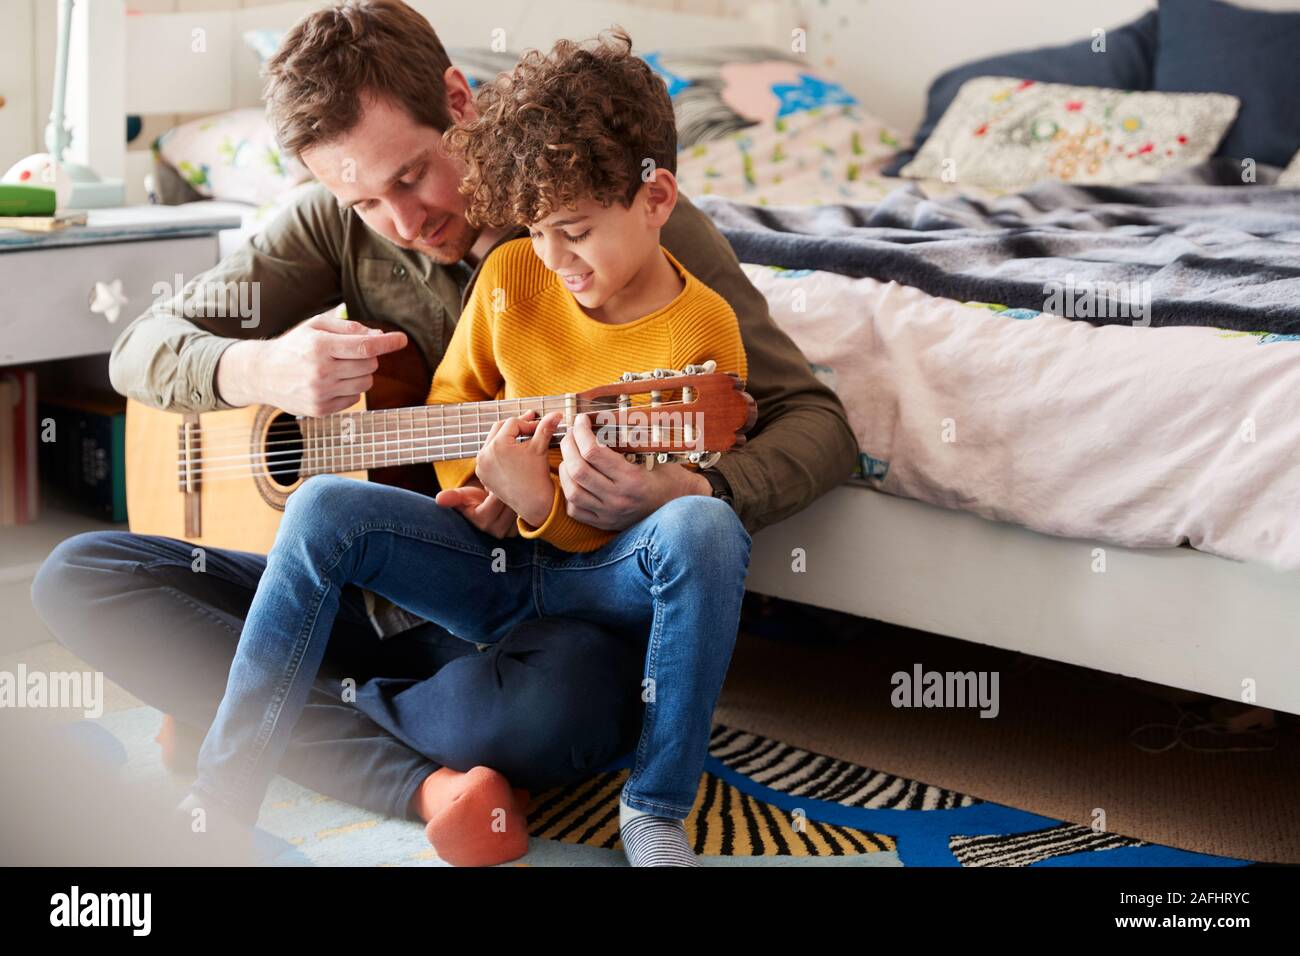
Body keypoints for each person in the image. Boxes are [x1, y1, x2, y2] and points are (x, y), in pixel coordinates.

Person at [30, 0, 857, 859]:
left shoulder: (612, 214)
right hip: (390, 584)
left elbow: (815, 421)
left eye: (414, 175)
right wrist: (260, 368)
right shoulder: (334, 224)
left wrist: (698, 489)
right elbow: (142, 350)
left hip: (548, 612)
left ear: (460, 101)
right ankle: (413, 777)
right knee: (79, 578)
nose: (403, 220)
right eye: (364, 199)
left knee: (556, 714)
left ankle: (253, 703)